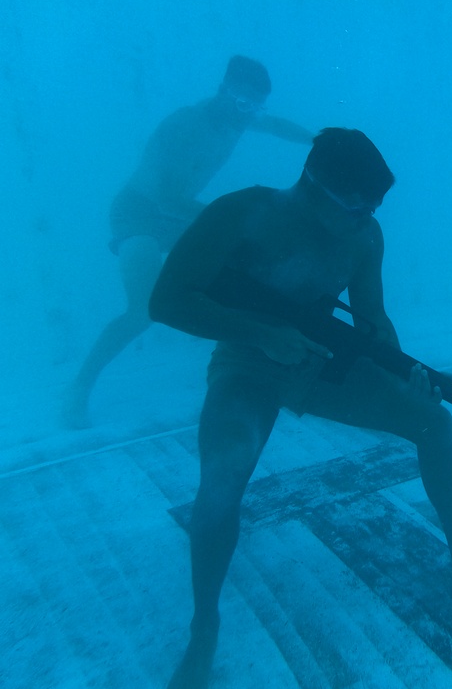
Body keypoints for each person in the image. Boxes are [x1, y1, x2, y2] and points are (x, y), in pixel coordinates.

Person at [149, 128, 452, 689]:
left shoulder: (364, 234)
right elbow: (167, 300)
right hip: (248, 364)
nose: (367, 217)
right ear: (314, 185)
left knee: (434, 421)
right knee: (222, 482)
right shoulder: (241, 213)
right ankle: (205, 628)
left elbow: (373, 319)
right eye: (358, 205)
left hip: (320, 359)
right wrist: (260, 334)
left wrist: (404, 367)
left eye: (375, 208)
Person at [63, 55, 314, 428]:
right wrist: (234, 217)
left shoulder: (237, 116)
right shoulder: (187, 125)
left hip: (174, 215)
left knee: (247, 267)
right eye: (244, 103)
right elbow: (167, 199)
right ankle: (79, 387)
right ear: (222, 91)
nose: (250, 114)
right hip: (139, 213)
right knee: (144, 310)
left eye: (255, 106)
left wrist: (320, 141)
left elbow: (275, 125)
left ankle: (258, 366)